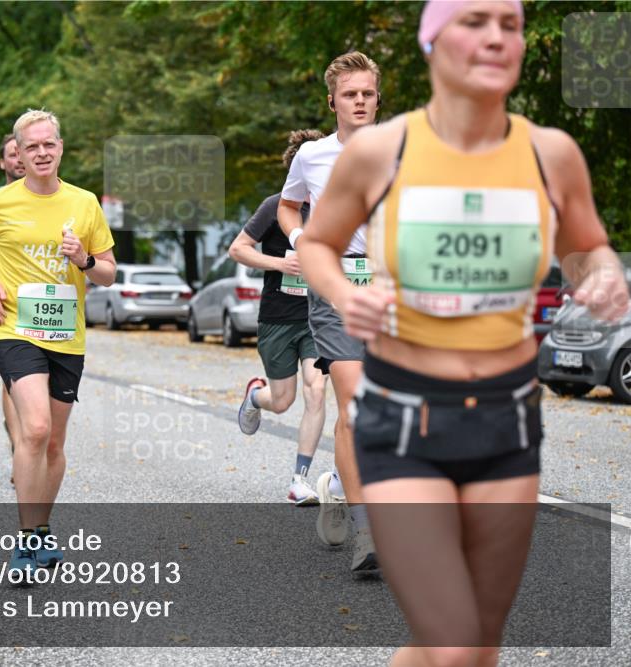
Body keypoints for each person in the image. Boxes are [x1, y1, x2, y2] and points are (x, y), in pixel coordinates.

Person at [299, 1, 630, 662]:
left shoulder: (550, 153)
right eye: (474, 22)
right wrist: (343, 294)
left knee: (477, 642)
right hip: (403, 418)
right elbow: (316, 244)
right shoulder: (381, 152)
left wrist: (600, 276)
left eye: (510, 24)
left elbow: (585, 246)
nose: (496, 37)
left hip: (506, 421)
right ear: (433, 42)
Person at [0, 109, 116, 579]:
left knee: (55, 442)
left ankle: (41, 529)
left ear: (60, 148)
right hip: (13, 327)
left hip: (66, 332)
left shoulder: (85, 203)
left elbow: (108, 273)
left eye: (49, 144)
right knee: (36, 428)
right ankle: (25, 542)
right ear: (18, 155)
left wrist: (84, 259)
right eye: (32, 147)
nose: (41, 153)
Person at [278, 51, 383, 575]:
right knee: (356, 408)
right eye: (349, 94)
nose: (359, 101)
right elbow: (287, 206)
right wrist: (301, 238)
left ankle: (342, 482)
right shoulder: (312, 155)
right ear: (333, 102)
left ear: (377, 99)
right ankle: (368, 534)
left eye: (367, 93)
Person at [232, 129, 329, 505]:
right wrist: (279, 263)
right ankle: (256, 397)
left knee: (316, 389)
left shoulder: (333, 209)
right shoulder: (275, 206)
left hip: (318, 317)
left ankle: (299, 479)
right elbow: (238, 249)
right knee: (283, 399)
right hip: (278, 317)